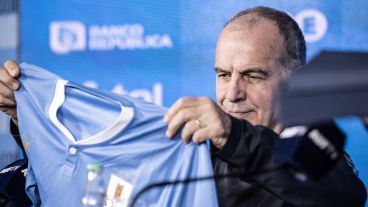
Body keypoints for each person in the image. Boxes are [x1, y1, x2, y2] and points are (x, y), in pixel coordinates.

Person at [0, 6, 366, 207]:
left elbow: (338, 195)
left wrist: (234, 136)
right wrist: (27, 117)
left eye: (252, 76)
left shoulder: (316, 158)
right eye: (223, 75)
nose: (232, 94)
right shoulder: (185, 145)